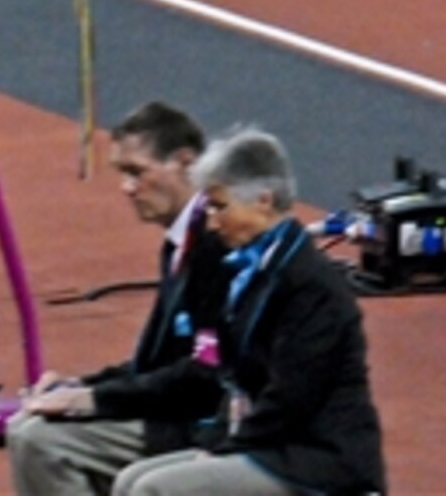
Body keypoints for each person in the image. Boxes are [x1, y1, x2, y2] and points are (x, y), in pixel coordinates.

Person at [112, 126, 386, 495]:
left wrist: (226, 450)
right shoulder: (250, 271)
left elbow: (293, 396)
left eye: (220, 207)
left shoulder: (312, 285)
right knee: (130, 481)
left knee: (156, 489)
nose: (211, 221)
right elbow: (232, 376)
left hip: (318, 459)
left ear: (263, 201)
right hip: (273, 444)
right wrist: (214, 441)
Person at [7, 101, 231, 495]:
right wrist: (79, 385)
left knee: (40, 442)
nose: (126, 188)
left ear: (184, 162)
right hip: (181, 407)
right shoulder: (180, 242)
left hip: (210, 421)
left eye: (137, 172)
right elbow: (155, 361)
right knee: (25, 425)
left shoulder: (215, 244)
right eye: (122, 174)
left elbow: (206, 374)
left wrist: (93, 398)